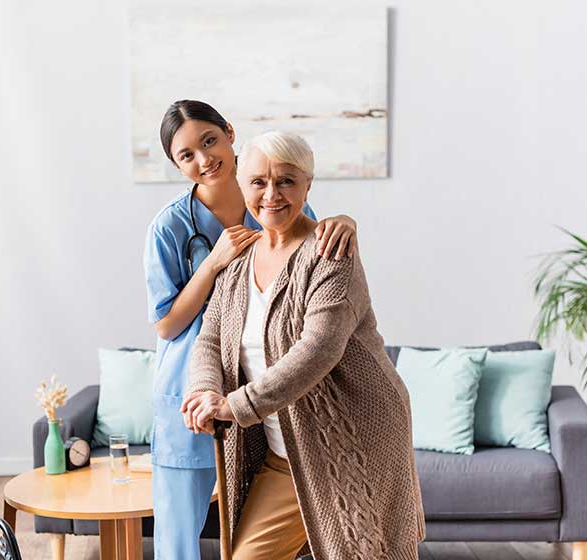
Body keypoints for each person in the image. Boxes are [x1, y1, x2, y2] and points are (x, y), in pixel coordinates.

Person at [182, 131, 425, 560]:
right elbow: (210, 337)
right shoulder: (238, 260)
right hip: (284, 450)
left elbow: (318, 350)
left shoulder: (331, 252)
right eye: (258, 182)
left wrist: (236, 405)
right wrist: (204, 390)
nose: (271, 194)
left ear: (308, 186)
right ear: (242, 185)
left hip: (353, 437)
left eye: (287, 181)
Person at [144, 101, 359, 559]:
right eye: (186, 155)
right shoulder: (169, 227)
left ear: (228, 133)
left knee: (254, 526)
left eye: (209, 141)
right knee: (179, 538)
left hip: (265, 393)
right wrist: (215, 263)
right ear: (176, 165)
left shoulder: (270, 196)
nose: (204, 159)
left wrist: (346, 221)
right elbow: (167, 324)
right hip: (194, 390)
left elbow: (317, 256)